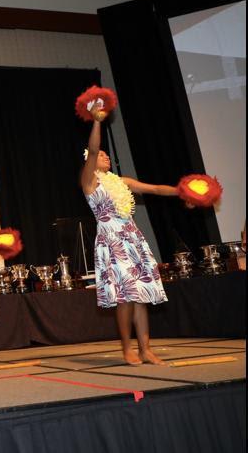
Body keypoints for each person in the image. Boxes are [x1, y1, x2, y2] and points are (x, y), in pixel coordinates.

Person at [81, 106, 189, 365]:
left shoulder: (122, 181)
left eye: (108, 155)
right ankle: (127, 348)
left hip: (132, 237)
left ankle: (145, 349)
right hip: (111, 238)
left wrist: (184, 191)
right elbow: (94, 149)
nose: (105, 157)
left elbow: (154, 189)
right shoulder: (89, 181)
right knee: (125, 295)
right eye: (102, 155)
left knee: (140, 294)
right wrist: (97, 122)